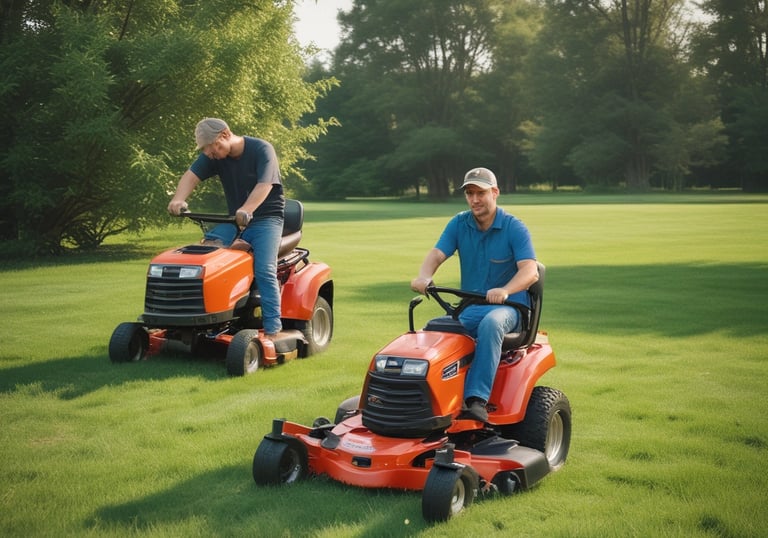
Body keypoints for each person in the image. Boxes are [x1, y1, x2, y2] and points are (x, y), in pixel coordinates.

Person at [410, 167, 539, 422]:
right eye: (470, 193)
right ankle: (426, 398)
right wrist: (424, 276)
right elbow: (437, 254)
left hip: (510, 308)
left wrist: (505, 290)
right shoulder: (459, 223)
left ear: (495, 192)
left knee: (492, 323)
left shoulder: (514, 227)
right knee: (433, 329)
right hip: (471, 308)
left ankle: (476, 399)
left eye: (480, 193)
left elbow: (531, 272)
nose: (474, 199)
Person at [167, 117, 285, 338]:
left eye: (213, 146)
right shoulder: (215, 155)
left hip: (267, 220)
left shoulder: (262, 149)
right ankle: (197, 317)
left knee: (264, 270)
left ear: (225, 134)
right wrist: (178, 199)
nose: (210, 152)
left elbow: (265, 184)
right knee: (206, 256)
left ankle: (273, 330)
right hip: (236, 221)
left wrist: (248, 209)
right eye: (205, 149)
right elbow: (190, 176)